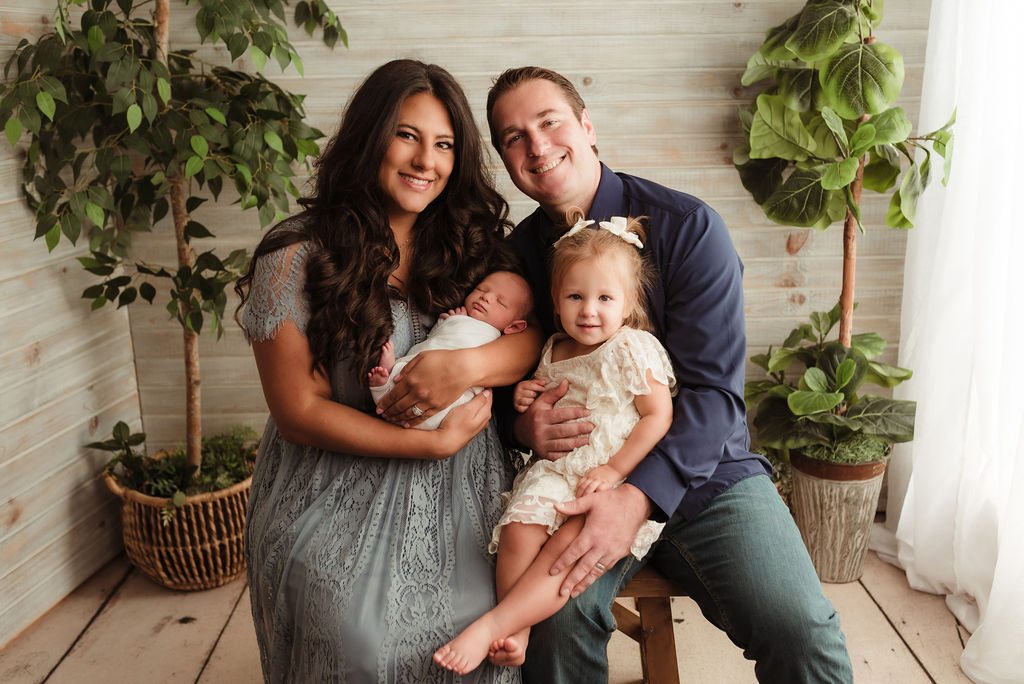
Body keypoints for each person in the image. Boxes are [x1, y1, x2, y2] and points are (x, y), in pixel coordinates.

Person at [485, 66, 854, 683]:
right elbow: (500, 382)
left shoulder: (688, 227)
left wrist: (636, 495)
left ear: (587, 126)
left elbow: (714, 396)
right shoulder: (515, 257)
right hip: (581, 481)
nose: (537, 145)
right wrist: (525, 425)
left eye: (549, 122)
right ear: (505, 158)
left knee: (800, 628)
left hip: (708, 475)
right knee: (555, 620)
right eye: (513, 137)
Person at [235, 59, 540, 683]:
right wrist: (428, 444)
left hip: (466, 486)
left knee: (485, 626)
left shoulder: (470, 242)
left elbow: (532, 336)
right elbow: (297, 412)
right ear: (370, 136)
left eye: (444, 144)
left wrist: (466, 366)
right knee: (357, 635)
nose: (426, 160)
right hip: (333, 477)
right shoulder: (295, 254)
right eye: (407, 135)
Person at [433, 210, 676, 675]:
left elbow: (657, 416)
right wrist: (526, 396)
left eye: (605, 298)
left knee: (567, 550)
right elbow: (544, 399)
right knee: (518, 530)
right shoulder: (553, 350)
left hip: (609, 480)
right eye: (575, 296)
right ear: (556, 301)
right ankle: (518, 630)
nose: (589, 310)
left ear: (628, 304)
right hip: (554, 472)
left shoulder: (631, 347)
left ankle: (495, 624)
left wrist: (615, 469)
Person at [369, 270, 533, 431]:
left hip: (452, 401)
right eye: (481, 289)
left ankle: (385, 388)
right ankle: (383, 383)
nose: (486, 297)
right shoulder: (461, 316)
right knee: (403, 373)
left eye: (501, 302)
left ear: (514, 327)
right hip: (417, 368)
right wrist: (451, 321)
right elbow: (436, 337)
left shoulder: (496, 340)